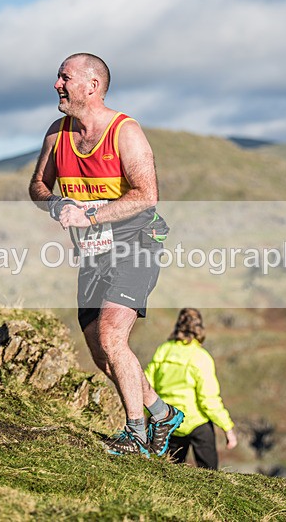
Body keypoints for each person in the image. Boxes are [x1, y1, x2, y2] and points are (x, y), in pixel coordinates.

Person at [29, 53, 182, 456]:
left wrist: (91, 212)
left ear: (92, 86)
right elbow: (38, 186)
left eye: (65, 78)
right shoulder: (56, 133)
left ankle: (135, 434)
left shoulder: (125, 132)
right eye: (58, 77)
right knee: (100, 350)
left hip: (136, 245)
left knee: (114, 336)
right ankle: (162, 413)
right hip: (94, 255)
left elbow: (146, 195)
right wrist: (56, 204)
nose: (57, 84)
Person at [145, 308, 238, 469]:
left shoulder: (163, 350)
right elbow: (208, 400)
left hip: (167, 420)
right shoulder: (201, 357)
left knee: (167, 472)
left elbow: (146, 386)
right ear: (199, 328)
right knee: (211, 475)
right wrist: (227, 428)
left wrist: (148, 415)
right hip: (196, 423)